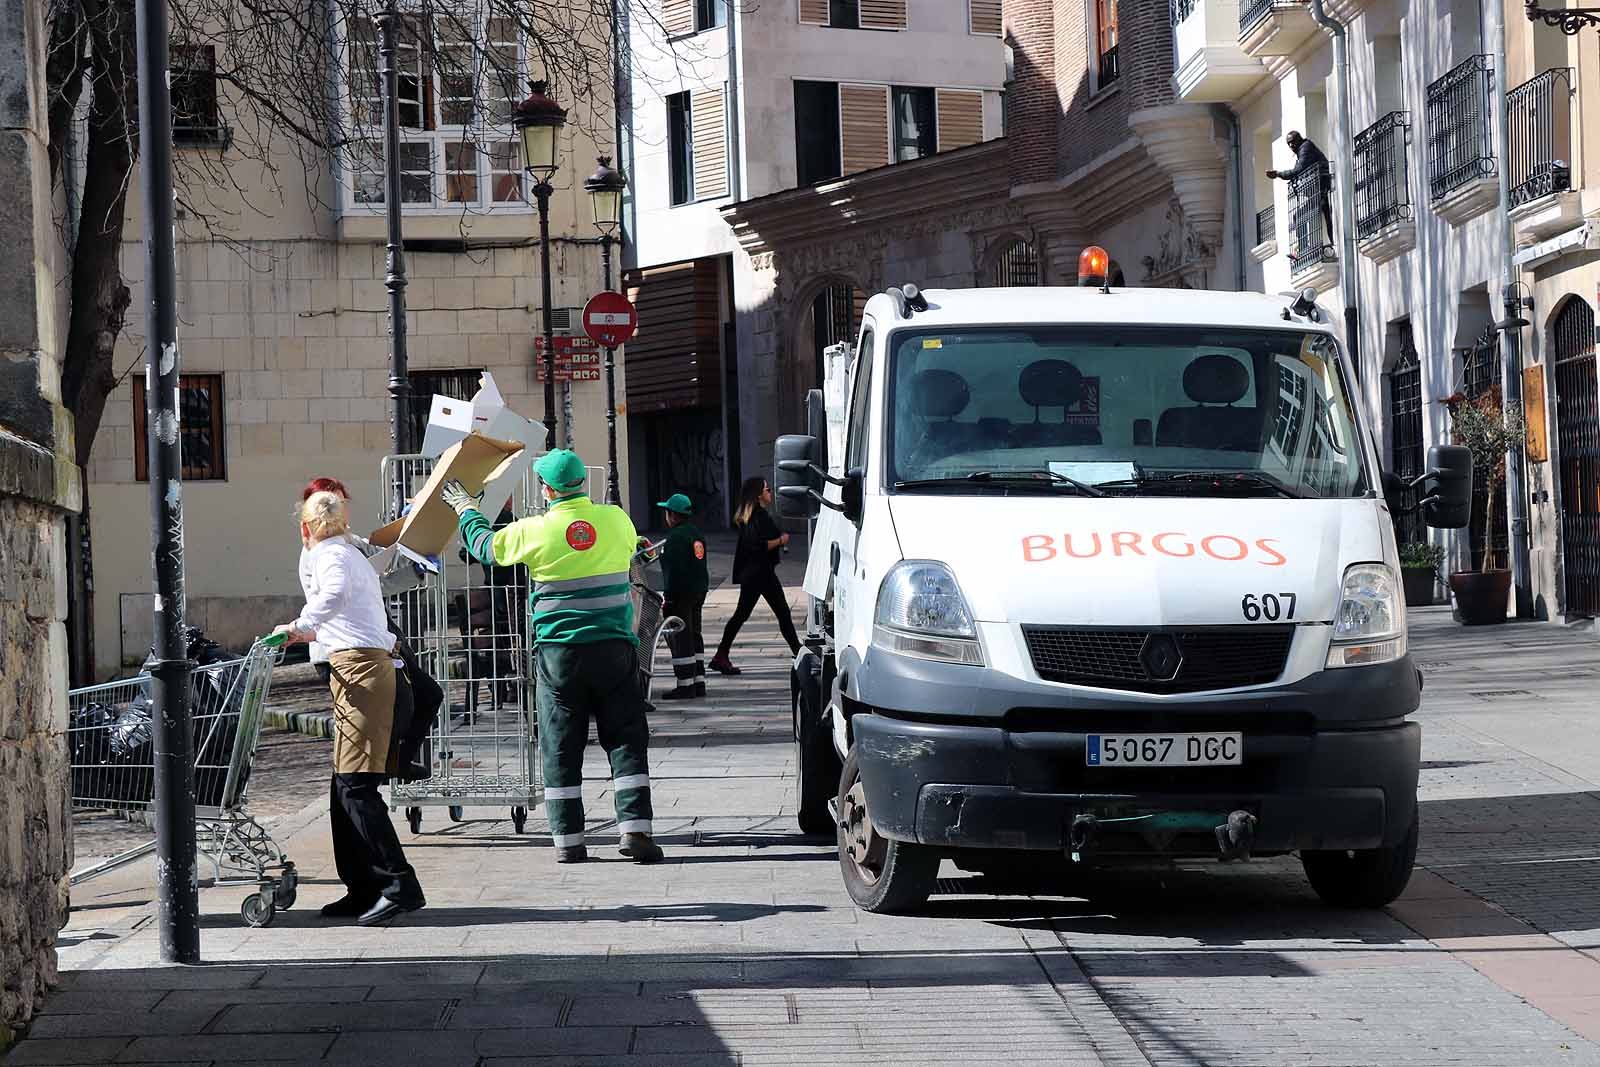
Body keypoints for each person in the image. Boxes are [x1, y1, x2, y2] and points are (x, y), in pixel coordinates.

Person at [441, 450, 663, 865]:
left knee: (560, 745)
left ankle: (569, 841)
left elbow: (486, 548)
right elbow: (636, 550)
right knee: (627, 739)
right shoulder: (616, 519)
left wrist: (465, 509)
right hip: (615, 648)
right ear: (583, 483)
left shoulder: (536, 530)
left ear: (546, 489)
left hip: (561, 655)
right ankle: (635, 831)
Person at [275, 491, 426, 926]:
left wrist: (300, 626)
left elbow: (335, 593)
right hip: (356, 670)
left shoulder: (330, 556)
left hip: (361, 671)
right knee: (344, 786)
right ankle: (362, 887)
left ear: (305, 528)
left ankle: (399, 886)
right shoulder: (347, 549)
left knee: (356, 787)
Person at [708, 477, 801, 676]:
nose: (770, 493)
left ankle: (720, 655)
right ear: (759, 495)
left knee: (743, 614)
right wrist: (781, 540)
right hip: (759, 574)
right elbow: (759, 545)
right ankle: (799, 653)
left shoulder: (754, 516)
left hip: (757, 573)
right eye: (768, 490)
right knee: (782, 613)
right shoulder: (757, 517)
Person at [656, 493, 709, 701]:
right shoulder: (696, 533)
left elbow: (673, 571)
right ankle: (699, 681)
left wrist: (668, 597)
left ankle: (685, 685)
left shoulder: (675, 538)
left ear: (672, 515)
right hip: (698, 590)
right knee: (695, 634)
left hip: (680, 593)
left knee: (681, 639)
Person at [1266, 130, 1334, 245]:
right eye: (1289, 143)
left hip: (1322, 186)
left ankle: (1310, 247)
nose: (1291, 145)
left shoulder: (1305, 147)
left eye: (1293, 142)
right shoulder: (1301, 151)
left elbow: (1298, 170)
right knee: (1302, 216)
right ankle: (1304, 248)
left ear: (1299, 139)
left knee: (1323, 217)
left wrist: (1278, 174)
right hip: (1318, 189)